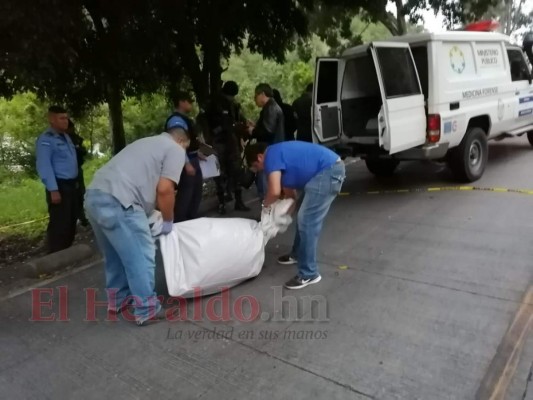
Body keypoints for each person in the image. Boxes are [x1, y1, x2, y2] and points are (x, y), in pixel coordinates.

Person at [84, 118, 190, 326]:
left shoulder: (146, 143)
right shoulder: (176, 149)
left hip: (94, 196)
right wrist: (168, 220)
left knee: (114, 254)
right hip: (120, 201)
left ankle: (119, 300)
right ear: (182, 141)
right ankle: (146, 310)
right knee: (142, 255)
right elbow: (165, 189)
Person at [245, 140, 345, 289]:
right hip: (325, 172)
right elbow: (291, 197)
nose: (258, 170)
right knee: (303, 217)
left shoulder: (271, 156)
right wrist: (280, 217)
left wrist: (264, 208)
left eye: (255, 166)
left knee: (307, 221)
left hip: (328, 171)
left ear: (260, 157)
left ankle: (309, 273)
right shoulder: (279, 159)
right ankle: (297, 254)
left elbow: (273, 192)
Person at [36, 106, 79, 254]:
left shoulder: (66, 137)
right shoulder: (46, 139)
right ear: (52, 120)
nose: (65, 121)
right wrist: (53, 189)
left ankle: (67, 251)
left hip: (72, 185)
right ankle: (56, 252)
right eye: (61, 118)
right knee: (60, 221)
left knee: (71, 219)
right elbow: (44, 165)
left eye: (66, 118)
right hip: (59, 186)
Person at [206, 80, 251, 214]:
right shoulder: (214, 104)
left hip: (231, 142)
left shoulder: (233, 104)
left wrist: (242, 124)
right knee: (219, 173)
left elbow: (237, 119)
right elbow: (210, 123)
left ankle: (238, 201)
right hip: (219, 141)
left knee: (236, 171)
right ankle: (222, 203)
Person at [165, 91, 204, 223]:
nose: (191, 104)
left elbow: (188, 141)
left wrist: (197, 153)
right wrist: (186, 163)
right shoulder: (176, 121)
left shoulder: (185, 119)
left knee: (196, 192)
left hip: (192, 157)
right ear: (181, 102)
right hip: (185, 161)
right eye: (189, 101)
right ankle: (180, 223)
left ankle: (191, 220)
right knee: (186, 194)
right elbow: (177, 143)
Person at [248, 83, 285, 201]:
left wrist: (253, 131)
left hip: (268, 150)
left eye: (255, 96)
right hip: (273, 148)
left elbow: (267, 132)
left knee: (265, 183)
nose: (255, 99)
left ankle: (267, 210)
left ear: (262, 94)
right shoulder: (272, 107)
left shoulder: (270, 108)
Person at [66, 119, 89, 227]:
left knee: (80, 193)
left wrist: (78, 147)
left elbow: (83, 151)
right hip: (65, 172)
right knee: (69, 195)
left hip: (77, 169)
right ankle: (71, 218)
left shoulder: (75, 138)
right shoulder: (61, 138)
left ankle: (81, 216)